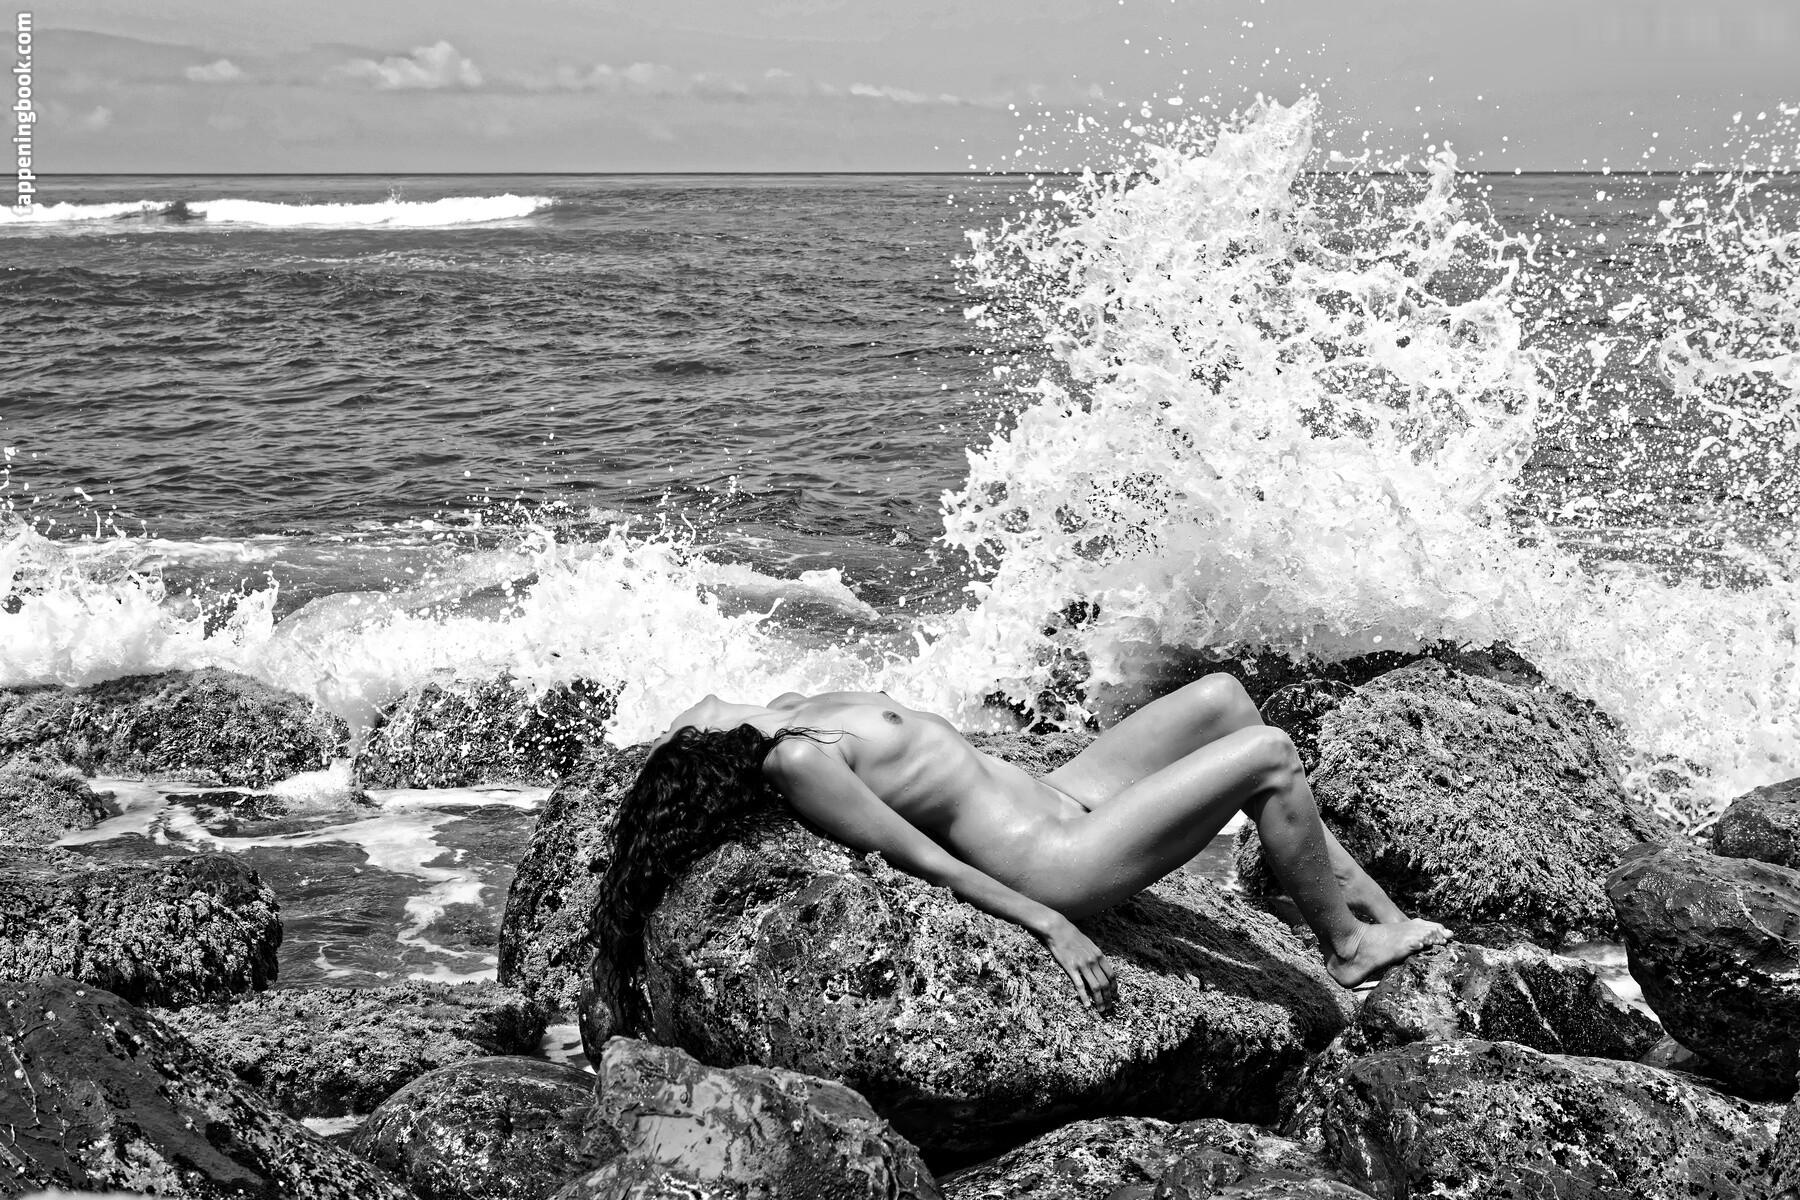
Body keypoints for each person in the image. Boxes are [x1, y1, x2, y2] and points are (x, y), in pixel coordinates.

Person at [593, 676, 1450, 1023]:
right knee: (1268, 754)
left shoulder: (738, 716)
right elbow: (923, 860)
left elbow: (671, 744)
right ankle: (1348, 946)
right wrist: (1049, 923)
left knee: (1226, 699)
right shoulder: (795, 762)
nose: (700, 713)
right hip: (1055, 857)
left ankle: (1376, 916)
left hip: (1060, 791)